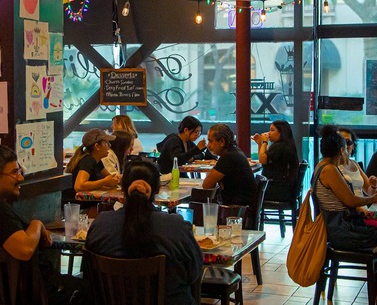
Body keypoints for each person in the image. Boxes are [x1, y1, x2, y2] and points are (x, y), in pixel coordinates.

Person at [314, 125, 377, 305]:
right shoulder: (329, 169)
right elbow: (351, 201)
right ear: (340, 150)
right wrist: (375, 196)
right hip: (344, 230)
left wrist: (373, 192)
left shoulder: (322, 166)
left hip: (342, 225)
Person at [0, 144, 76, 304]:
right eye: (15, 172)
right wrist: (37, 224)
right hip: (34, 296)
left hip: (2, 296)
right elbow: (25, 249)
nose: (21, 178)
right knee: (95, 290)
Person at [86, 158, 203, 305]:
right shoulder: (176, 226)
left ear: (122, 187)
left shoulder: (100, 225)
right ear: (158, 189)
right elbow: (194, 272)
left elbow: (89, 275)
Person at [202, 124, 256, 209]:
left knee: (200, 209)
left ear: (221, 142)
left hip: (237, 209)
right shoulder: (234, 151)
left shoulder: (229, 157)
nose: (208, 145)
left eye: (211, 141)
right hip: (246, 206)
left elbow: (206, 185)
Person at [252, 120, 299, 201]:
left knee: (247, 190)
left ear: (281, 132)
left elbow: (263, 159)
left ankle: (251, 213)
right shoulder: (284, 144)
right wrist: (260, 143)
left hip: (278, 189)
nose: (269, 133)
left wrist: (265, 142)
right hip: (284, 187)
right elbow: (263, 159)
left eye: (272, 130)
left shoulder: (281, 147)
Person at [65, 128, 121, 196]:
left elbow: (110, 177)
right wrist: (104, 182)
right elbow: (79, 186)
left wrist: (119, 179)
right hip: (78, 203)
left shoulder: (97, 161)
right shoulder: (88, 160)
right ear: (97, 146)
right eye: (106, 143)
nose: (110, 145)